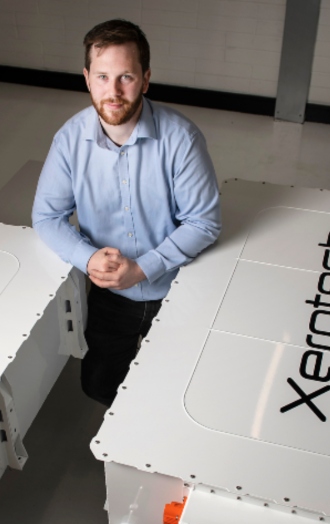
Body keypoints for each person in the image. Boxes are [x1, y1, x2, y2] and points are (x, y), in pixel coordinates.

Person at [32, 19, 221, 406]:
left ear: (146, 79)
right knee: (99, 386)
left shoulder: (182, 138)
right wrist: (88, 258)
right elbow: (47, 217)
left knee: (182, 388)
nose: (113, 91)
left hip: (177, 285)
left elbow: (203, 221)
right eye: (102, 77)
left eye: (126, 77)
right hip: (109, 293)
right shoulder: (69, 140)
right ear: (87, 78)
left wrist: (145, 267)